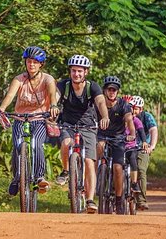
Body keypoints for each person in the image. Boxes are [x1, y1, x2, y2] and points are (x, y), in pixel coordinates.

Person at [0, 46, 59, 196]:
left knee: (36, 144)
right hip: (20, 118)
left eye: (35, 62)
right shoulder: (19, 79)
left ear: (41, 64)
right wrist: (2, 109)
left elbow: (52, 93)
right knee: (17, 146)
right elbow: (10, 95)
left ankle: (39, 177)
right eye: (29, 61)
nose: (31, 64)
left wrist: (53, 105)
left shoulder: (48, 79)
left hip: (39, 119)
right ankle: (16, 178)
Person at [55, 55, 110, 213]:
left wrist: (105, 116)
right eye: (73, 71)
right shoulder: (64, 85)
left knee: (89, 162)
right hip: (68, 124)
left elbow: (100, 102)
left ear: (86, 72)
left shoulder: (92, 87)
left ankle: (90, 199)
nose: (76, 74)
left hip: (88, 127)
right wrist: (53, 105)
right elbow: (56, 97)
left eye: (80, 71)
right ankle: (66, 171)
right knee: (66, 143)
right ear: (70, 71)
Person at [96, 76, 136, 215]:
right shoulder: (98, 103)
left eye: (114, 90)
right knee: (97, 151)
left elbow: (129, 120)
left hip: (118, 138)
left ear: (118, 92)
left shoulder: (123, 105)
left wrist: (131, 133)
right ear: (105, 91)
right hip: (101, 136)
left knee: (118, 167)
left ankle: (119, 200)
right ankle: (94, 181)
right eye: (109, 89)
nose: (112, 92)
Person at [130, 95, 158, 210]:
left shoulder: (147, 117)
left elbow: (153, 130)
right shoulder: (126, 116)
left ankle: (141, 200)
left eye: (136, 108)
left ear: (141, 109)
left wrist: (152, 146)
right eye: (132, 107)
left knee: (141, 170)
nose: (133, 111)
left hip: (142, 148)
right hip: (127, 147)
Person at [125, 97, 148, 193]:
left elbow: (141, 131)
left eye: (130, 107)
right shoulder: (118, 118)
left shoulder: (135, 120)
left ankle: (134, 183)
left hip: (130, 147)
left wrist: (144, 142)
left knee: (133, 160)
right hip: (118, 145)